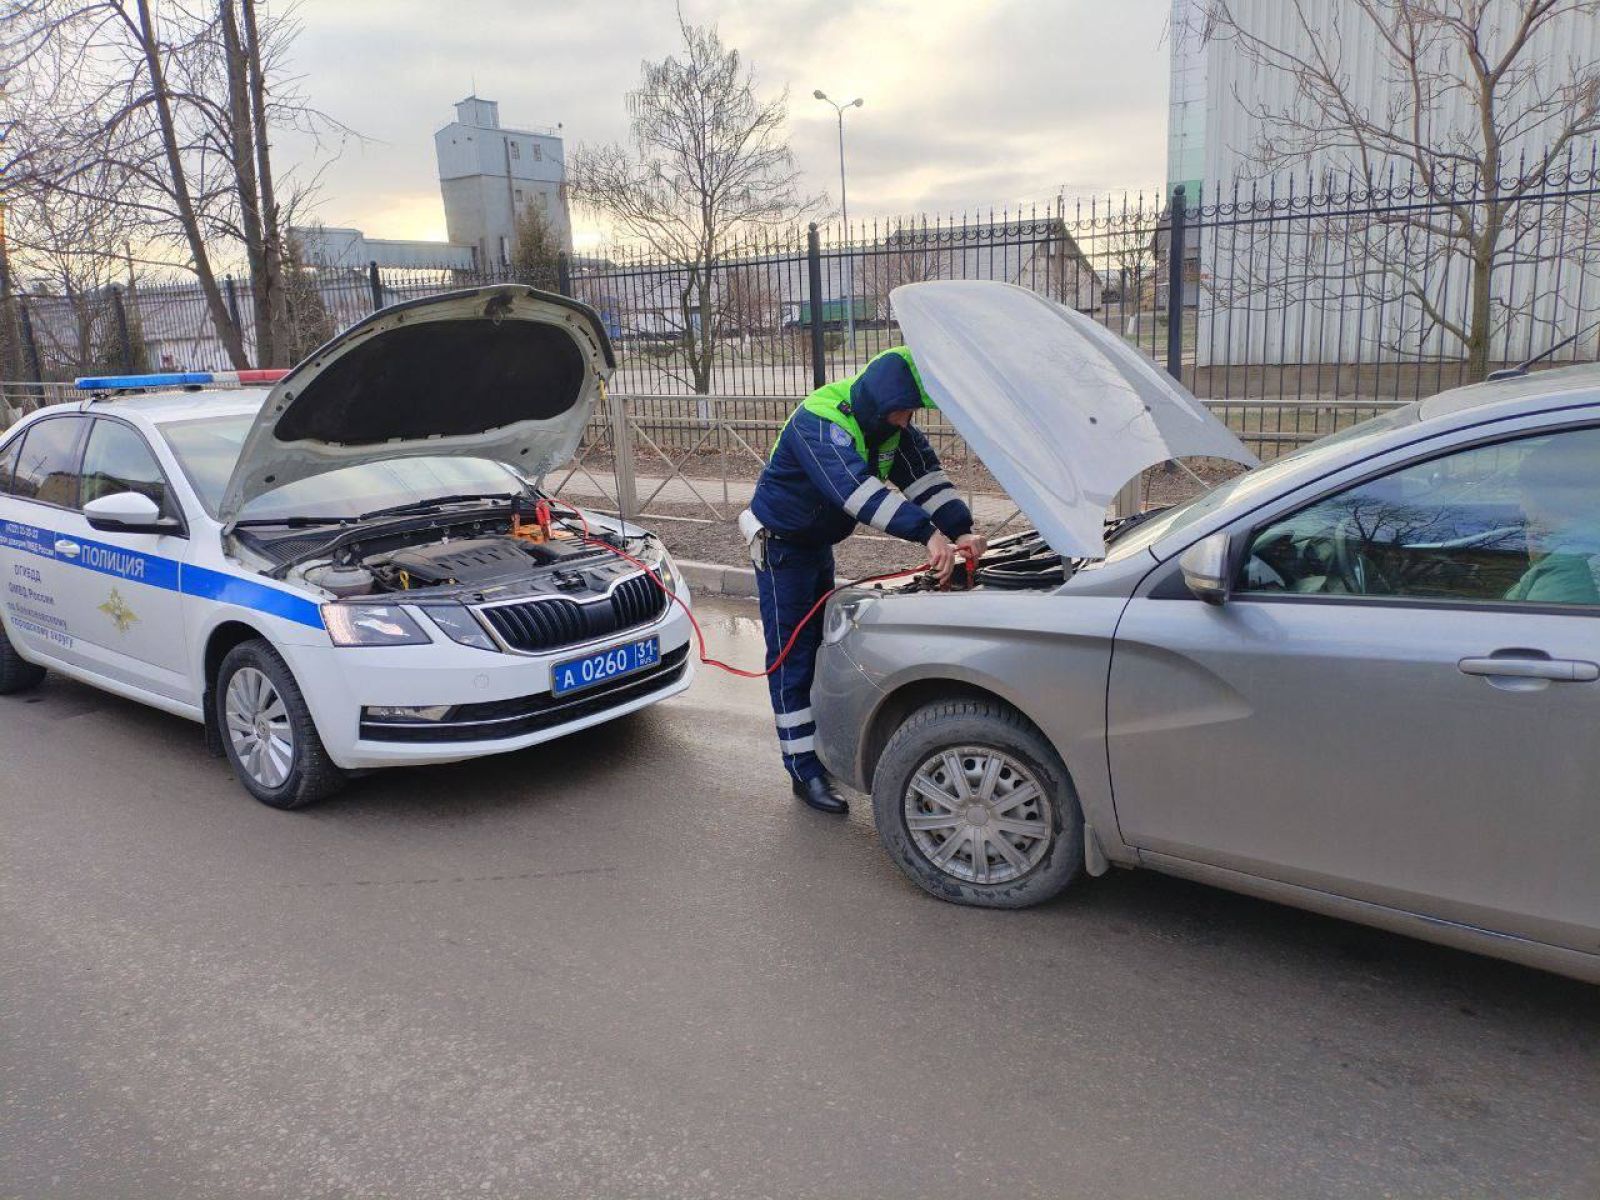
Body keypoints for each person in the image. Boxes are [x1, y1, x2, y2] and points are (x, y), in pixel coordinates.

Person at [743, 347, 986, 815]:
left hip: (815, 546)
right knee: (792, 656)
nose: (905, 420)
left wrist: (961, 529)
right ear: (879, 401)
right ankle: (802, 770)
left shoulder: (889, 426)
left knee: (818, 649)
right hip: (781, 548)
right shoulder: (821, 420)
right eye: (902, 411)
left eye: (910, 411)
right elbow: (856, 492)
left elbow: (927, 481)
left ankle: (817, 747)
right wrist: (926, 534)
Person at [1504, 430, 1600, 605]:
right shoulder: (1583, 547)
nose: (1520, 507)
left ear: (1546, 497)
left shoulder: (1568, 568)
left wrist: (1543, 565)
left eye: (1523, 493)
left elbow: (1528, 627)